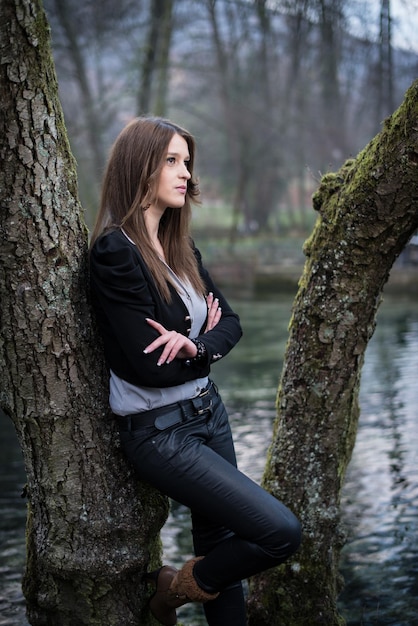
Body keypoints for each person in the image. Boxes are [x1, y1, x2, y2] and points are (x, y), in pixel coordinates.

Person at [89, 116, 301, 626]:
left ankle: (187, 584)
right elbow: (148, 368)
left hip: (210, 413)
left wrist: (196, 348)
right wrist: (202, 343)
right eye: (171, 161)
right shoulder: (116, 252)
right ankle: (176, 591)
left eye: (187, 162)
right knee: (280, 533)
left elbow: (234, 325)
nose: (185, 173)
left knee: (223, 544)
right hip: (161, 434)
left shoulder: (183, 248)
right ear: (140, 166)